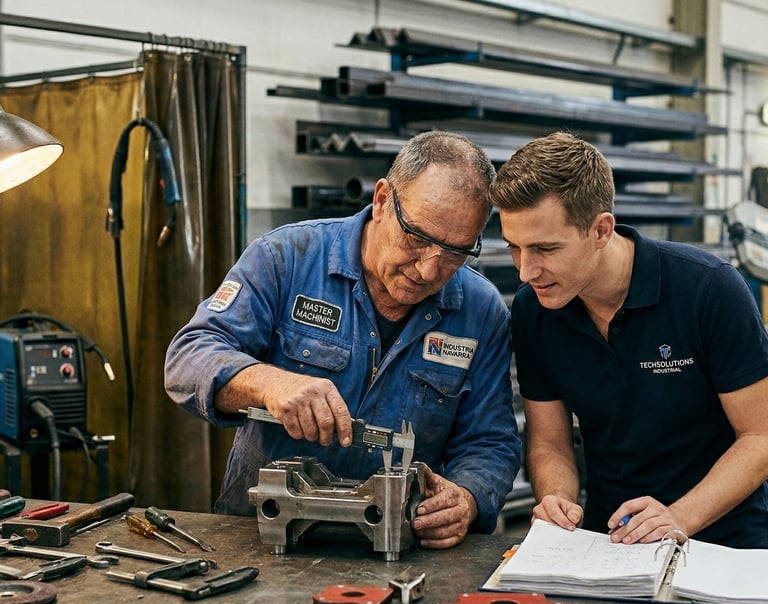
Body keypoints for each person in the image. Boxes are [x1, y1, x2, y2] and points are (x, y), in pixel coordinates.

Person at [165, 130, 521, 549]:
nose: (429, 269)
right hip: (264, 538)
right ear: (383, 200)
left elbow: (490, 442)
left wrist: (468, 496)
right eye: (417, 238)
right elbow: (188, 358)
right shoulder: (286, 258)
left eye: (455, 252)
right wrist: (269, 384)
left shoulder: (480, 312)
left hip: (398, 545)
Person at [489, 130, 768, 549]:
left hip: (727, 542)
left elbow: (760, 438)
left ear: (601, 230)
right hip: (614, 541)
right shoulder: (535, 310)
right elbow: (550, 443)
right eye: (515, 247)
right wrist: (557, 499)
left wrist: (678, 517)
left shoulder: (709, 290)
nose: (526, 271)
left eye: (545, 249)